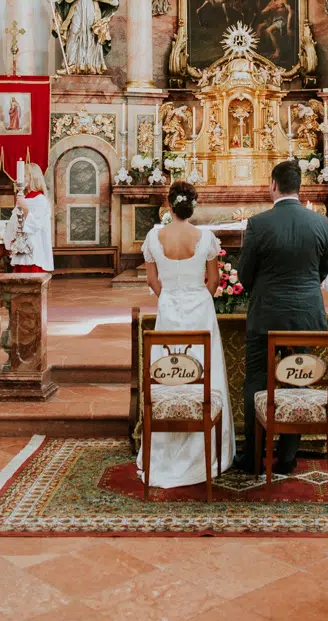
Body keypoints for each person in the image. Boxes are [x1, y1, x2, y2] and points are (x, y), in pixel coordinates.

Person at [236, 158, 328, 475]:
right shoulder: (320, 223)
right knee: (297, 380)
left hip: (266, 314)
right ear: (299, 186)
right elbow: (322, 271)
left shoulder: (258, 224)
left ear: (273, 185)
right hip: (305, 314)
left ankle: (252, 457)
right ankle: (287, 458)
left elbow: (245, 276)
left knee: (256, 381)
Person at [137, 181, 235, 488]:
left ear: (169, 206)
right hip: (200, 309)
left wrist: (170, 297)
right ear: (192, 206)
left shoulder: (154, 236)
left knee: (169, 370)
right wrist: (198, 297)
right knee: (205, 371)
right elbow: (215, 279)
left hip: (168, 308)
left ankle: (165, 446)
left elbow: (152, 280)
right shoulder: (205, 237)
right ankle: (206, 448)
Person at [3, 162, 54, 273]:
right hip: (20, 250)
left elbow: (36, 225)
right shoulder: (24, 198)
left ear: (33, 178)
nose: (20, 179)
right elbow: (14, 223)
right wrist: (11, 240)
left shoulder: (40, 199)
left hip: (33, 250)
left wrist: (25, 208)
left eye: (24, 176)